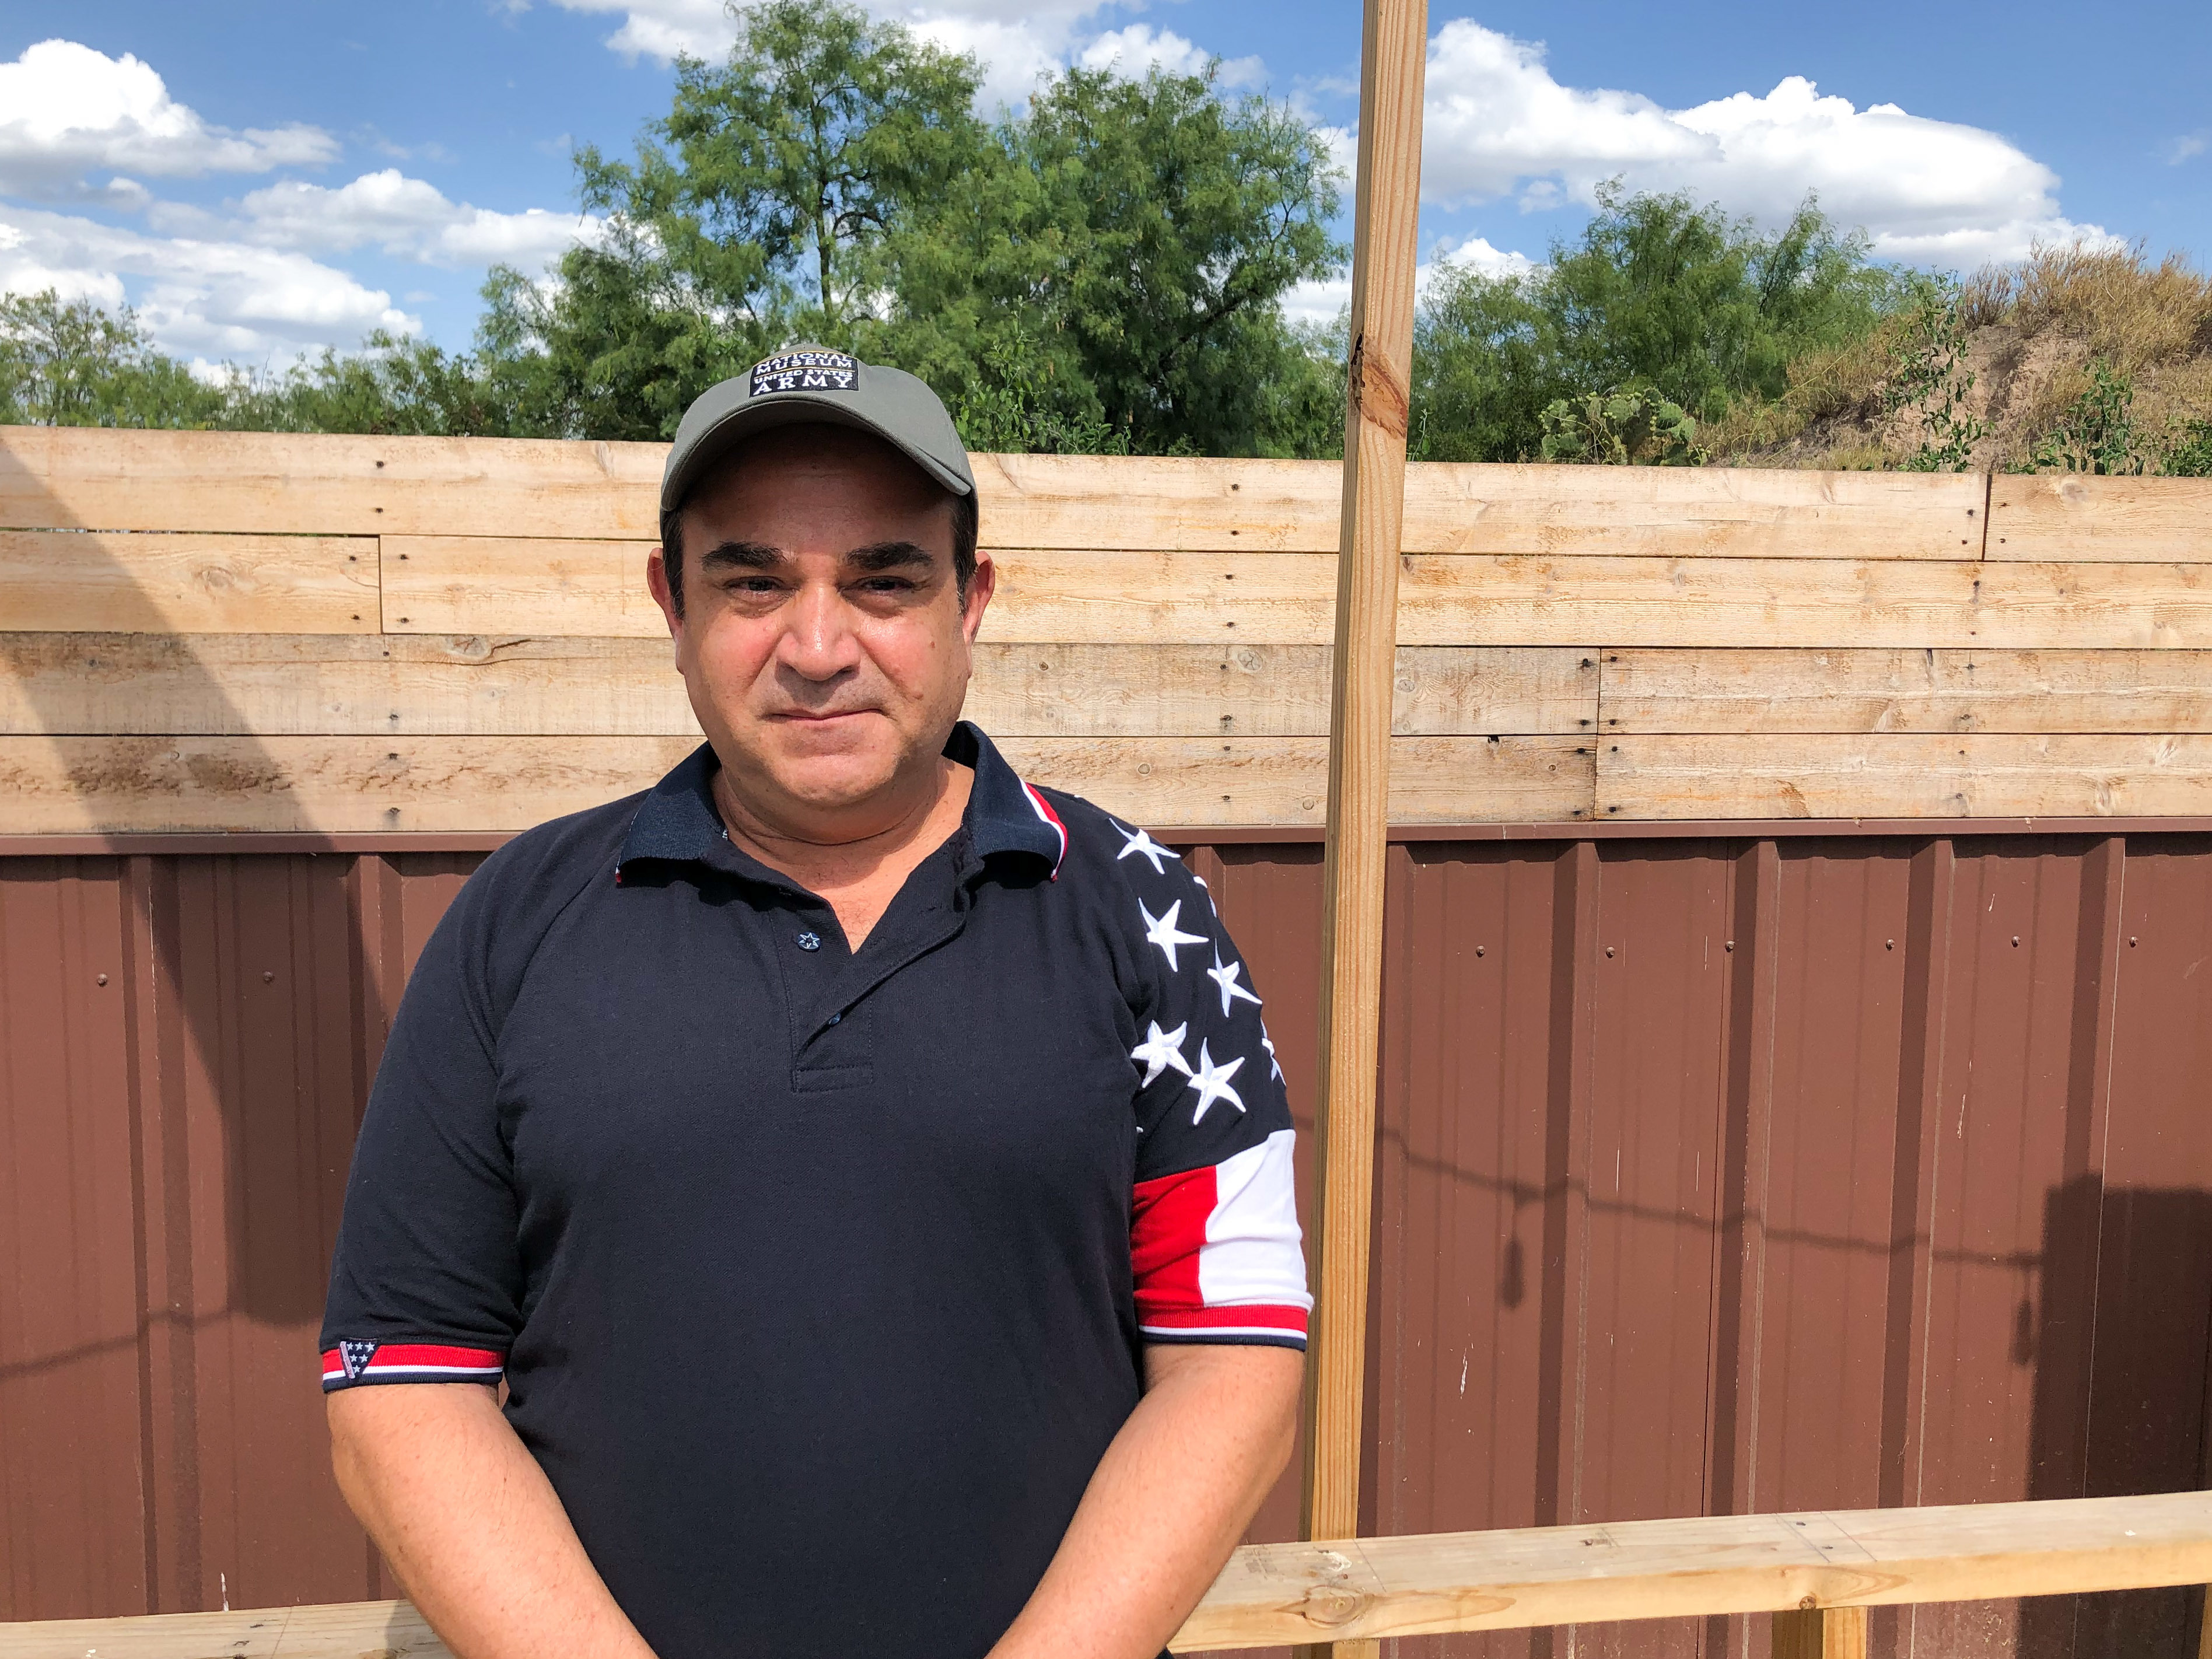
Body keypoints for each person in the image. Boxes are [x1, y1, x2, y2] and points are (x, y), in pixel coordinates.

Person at [318, 345, 1312, 1659]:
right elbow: (401, 1389)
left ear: (974, 602)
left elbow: (1233, 1365)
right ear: (672, 604)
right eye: (754, 581)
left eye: (885, 579)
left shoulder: (1141, 910)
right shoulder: (521, 917)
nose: (818, 645)